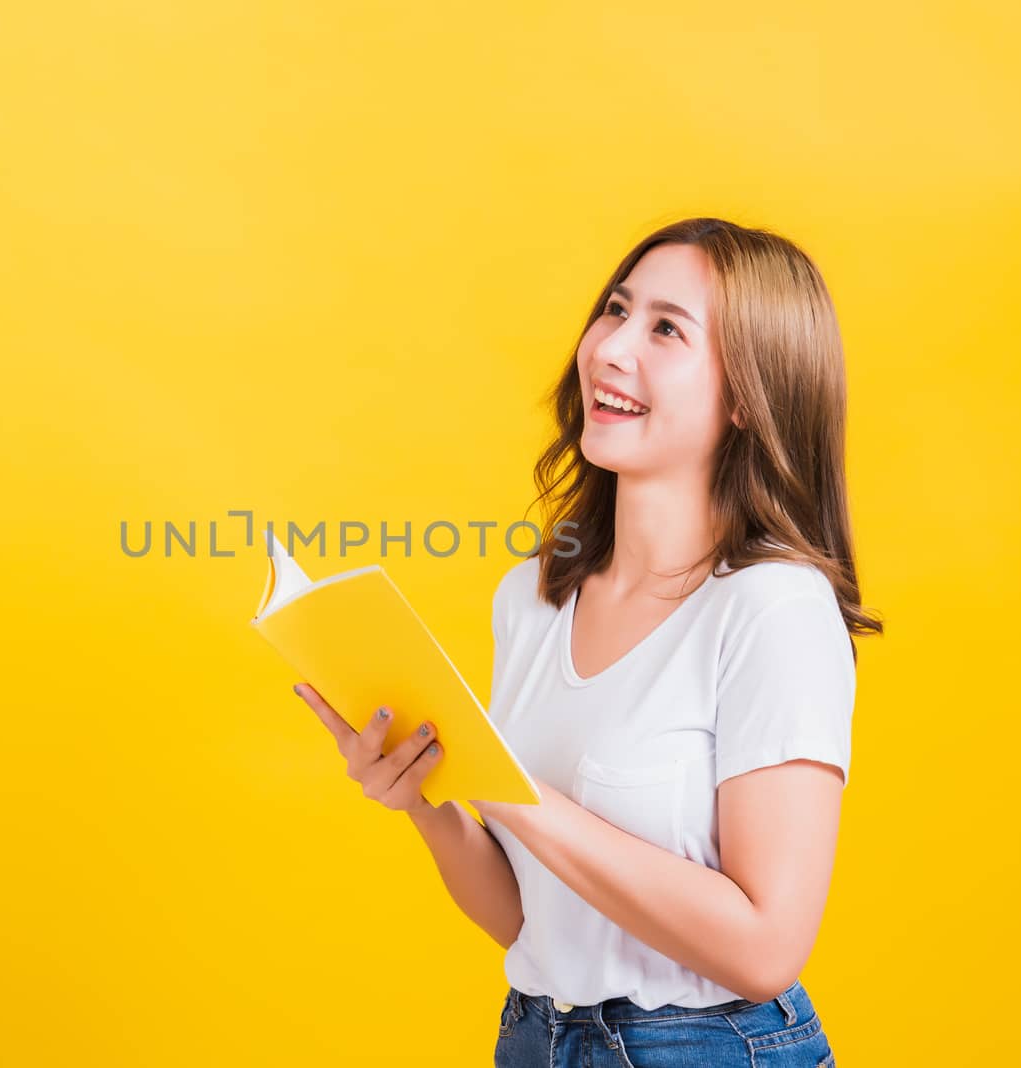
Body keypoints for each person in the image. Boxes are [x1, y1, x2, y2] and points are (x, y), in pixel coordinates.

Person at [294, 216, 881, 1067]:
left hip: (711, 1049)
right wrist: (431, 800)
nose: (609, 348)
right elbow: (531, 918)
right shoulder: (532, 597)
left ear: (749, 393)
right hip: (540, 1036)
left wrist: (517, 792)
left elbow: (766, 949)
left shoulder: (772, 608)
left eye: (666, 329)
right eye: (615, 309)